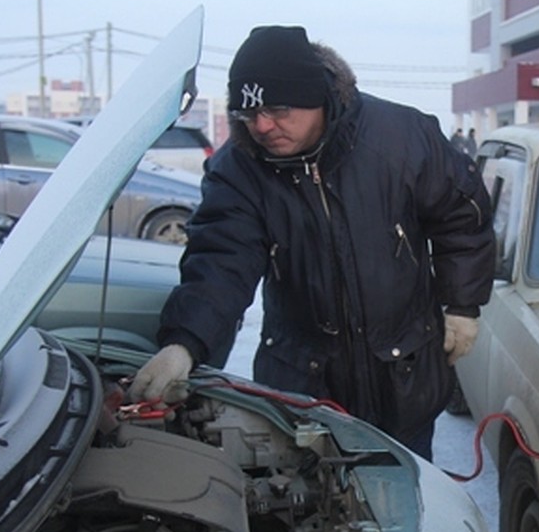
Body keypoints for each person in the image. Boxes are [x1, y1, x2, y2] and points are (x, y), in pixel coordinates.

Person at [129, 25, 495, 460]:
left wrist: (462, 305)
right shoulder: (240, 168)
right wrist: (185, 344)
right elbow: (222, 260)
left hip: (404, 373)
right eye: (248, 114)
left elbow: (462, 215)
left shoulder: (401, 138)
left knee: (405, 499)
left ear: (317, 96)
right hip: (304, 388)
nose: (262, 126)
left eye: (279, 110)